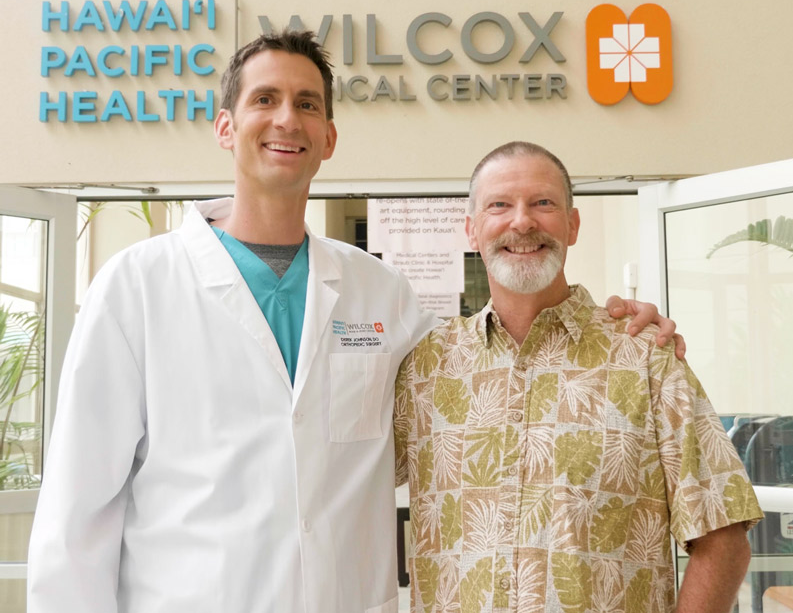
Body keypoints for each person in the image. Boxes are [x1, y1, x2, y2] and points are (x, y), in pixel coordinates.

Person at [27, 33, 680, 613]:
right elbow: (76, 513)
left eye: (308, 103)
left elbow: (494, 374)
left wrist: (619, 331)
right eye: (265, 99)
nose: (287, 117)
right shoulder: (137, 286)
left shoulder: (378, 293)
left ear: (329, 137)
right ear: (226, 127)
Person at [394, 141, 763, 613]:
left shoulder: (644, 359)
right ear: (471, 230)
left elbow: (723, 536)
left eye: (542, 203)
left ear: (572, 225)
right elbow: (342, 482)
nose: (522, 222)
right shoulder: (426, 367)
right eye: (500, 205)